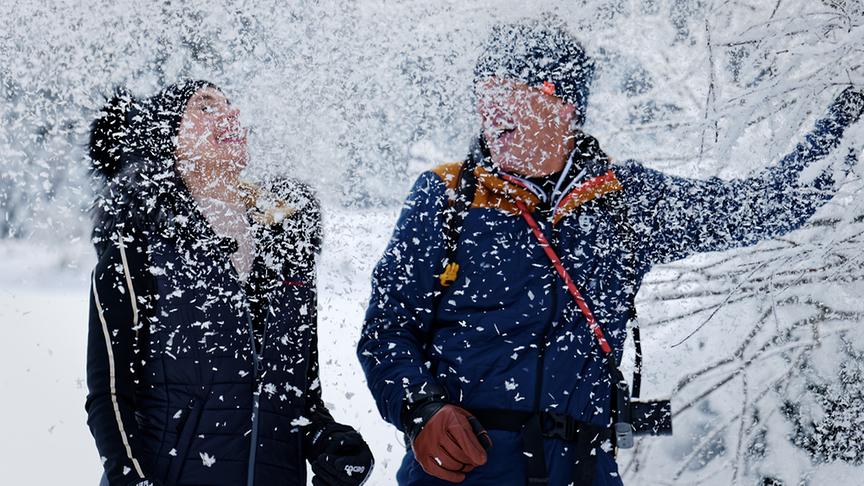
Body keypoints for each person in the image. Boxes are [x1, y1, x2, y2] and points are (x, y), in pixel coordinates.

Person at [356, 16, 864, 486]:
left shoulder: (623, 204)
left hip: (583, 471)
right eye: (484, 91)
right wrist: (421, 409)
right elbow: (386, 331)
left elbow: (769, 204)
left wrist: (851, 120)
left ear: (564, 106)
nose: (493, 109)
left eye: (511, 91)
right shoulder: (447, 199)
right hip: (465, 470)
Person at [85, 80, 374, 486]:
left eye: (229, 104)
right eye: (204, 107)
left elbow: (299, 397)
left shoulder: (284, 248)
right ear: (169, 142)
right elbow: (110, 396)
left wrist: (328, 441)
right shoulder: (138, 248)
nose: (231, 113)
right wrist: (129, 478)